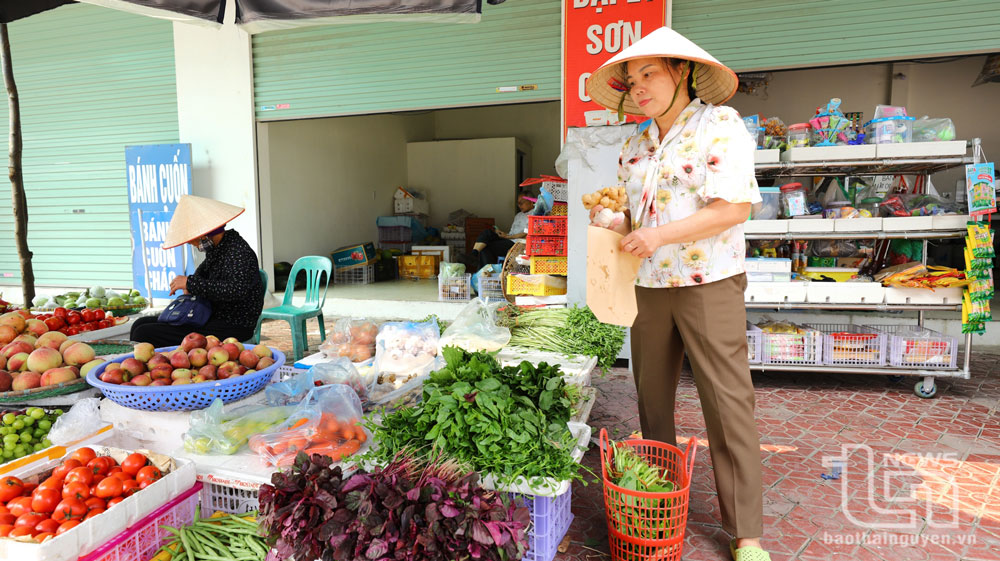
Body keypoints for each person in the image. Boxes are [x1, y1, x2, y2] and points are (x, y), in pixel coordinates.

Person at [586, 27, 770, 561]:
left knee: (727, 402)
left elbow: (733, 208)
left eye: (650, 74)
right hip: (647, 287)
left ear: (682, 72)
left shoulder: (720, 126)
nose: (638, 87)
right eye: (632, 79)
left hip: (707, 282)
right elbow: (634, 217)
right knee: (652, 398)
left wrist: (658, 235)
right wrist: (611, 220)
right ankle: (659, 499)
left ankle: (747, 532)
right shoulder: (634, 145)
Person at [130, 195, 265, 348]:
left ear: (205, 234)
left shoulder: (238, 252)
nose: (192, 244)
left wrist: (190, 282)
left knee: (144, 333)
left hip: (232, 324)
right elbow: (203, 277)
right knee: (140, 324)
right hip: (210, 316)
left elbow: (235, 290)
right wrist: (190, 285)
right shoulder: (218, 250)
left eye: (192, 239)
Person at [471, 194, 534, 268]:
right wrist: (505, 234)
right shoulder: (518, 215)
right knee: (487, 232)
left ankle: (484, 271)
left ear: (531, 202)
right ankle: (474, 254)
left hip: (517, 244)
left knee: (487, 247)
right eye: (518, 203)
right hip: (510, 239)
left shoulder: (535, 214)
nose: (519, 205)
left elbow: (527, 233)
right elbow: (512, 233)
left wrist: (509, 237)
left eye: (522, 203)